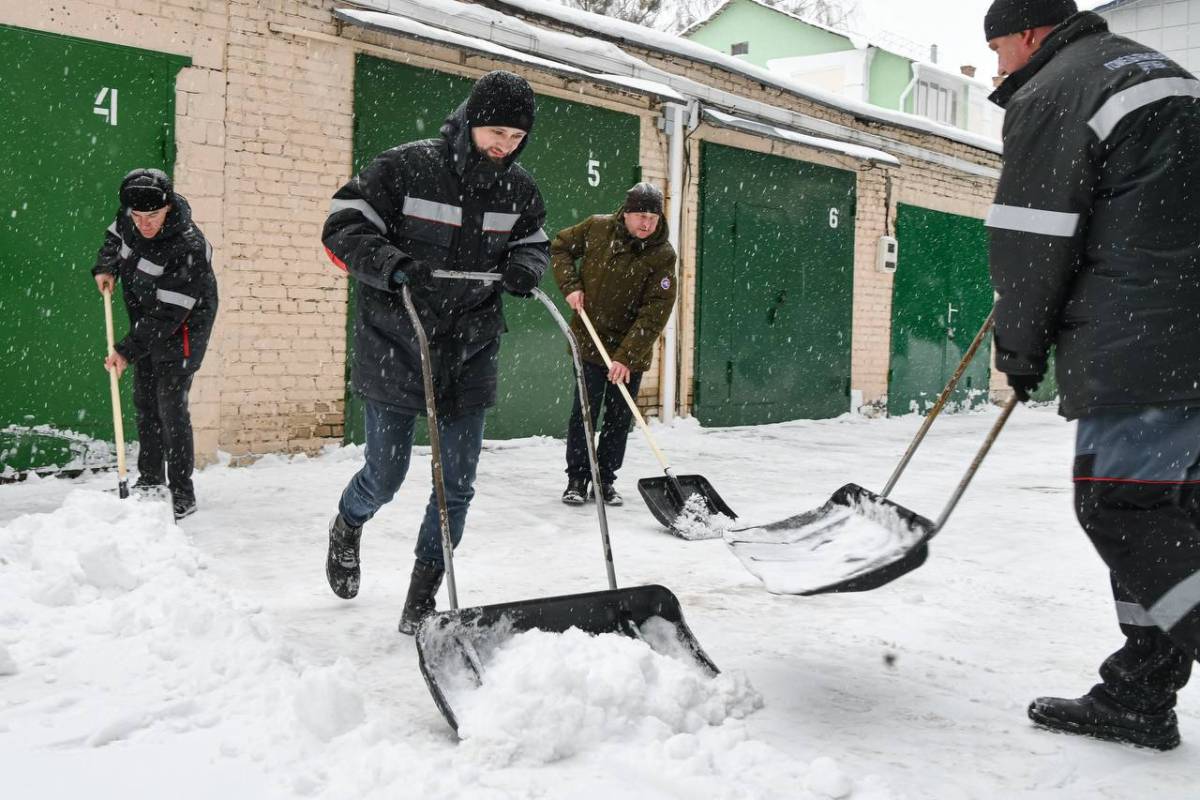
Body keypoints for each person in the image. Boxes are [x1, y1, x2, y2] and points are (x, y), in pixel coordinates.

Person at [983, 0, 1200, 750]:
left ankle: (1142, 687)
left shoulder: (1056, 90)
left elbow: (1033, 236)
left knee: (1125, 508)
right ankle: (1139, 689)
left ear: (1031, 35)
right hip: (1184, 332)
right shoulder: (1167, 74)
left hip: (1148, 339)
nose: (997, 66)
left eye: (1000, 48)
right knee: (1175, 515)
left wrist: (1020, 343)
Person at [321, 70, 549, 634]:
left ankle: (421, 601)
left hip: (471, 346)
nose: (505, 146)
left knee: (457, 485)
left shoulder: (519, 189)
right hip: (398, 340)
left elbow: (533, 240)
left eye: (516, 138)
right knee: (387, 474)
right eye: (496, 132)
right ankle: (349, 522)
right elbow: (342, 226)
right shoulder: (403, 167)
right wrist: (390, 264)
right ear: (471, 120)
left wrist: (524, 267)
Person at [91, 168, 218, 520]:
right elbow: (115, 238)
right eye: (139, 216)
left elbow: (168, 315)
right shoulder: (130, 215)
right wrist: (106, 266)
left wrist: (127, 349)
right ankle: (149, 480)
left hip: (183, 328)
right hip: (147, 318)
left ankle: (181, 492)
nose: (144, 224)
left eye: (154, 216)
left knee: (170, 408)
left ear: (168, 208)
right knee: (144, 400)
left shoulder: (187, 246)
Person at [551, 182, 678, 506]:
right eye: (640, 215)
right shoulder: (597, 228)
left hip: (630, 347)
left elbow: (655, 312)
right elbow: (561, 246)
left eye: (652, 216)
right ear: (625, 214)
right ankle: (577, 479)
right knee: (585, 412)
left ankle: (605, 480)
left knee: (619, 418)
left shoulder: (663, 255)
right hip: (591, 339)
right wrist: (570, 285)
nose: (646, 223)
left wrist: (626, 357)